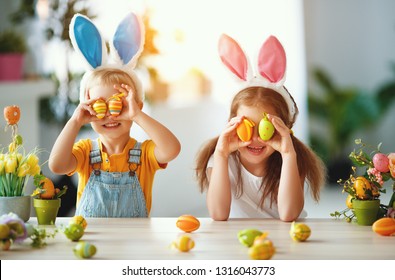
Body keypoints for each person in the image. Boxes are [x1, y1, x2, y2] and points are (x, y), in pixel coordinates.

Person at [48, 13, 180, 217]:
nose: (110, 115)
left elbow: (172, 149)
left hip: (134, 244)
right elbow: (56, 165)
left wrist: (137, 115)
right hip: (92, 241)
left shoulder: (144, 154)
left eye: (118, 105)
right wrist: (74, 122)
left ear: (136, 107)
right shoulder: (84, 152)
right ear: (87, 109)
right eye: (100, 106)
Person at [195, 34, 326, 222]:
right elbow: (218, 214)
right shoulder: (220, 158)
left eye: (266, 128)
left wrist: (289, 155)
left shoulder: (291, 157)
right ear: (231, 125)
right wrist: (221, 155)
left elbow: (289, 214)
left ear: (284, 128)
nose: (255, 138)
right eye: (246, 127)